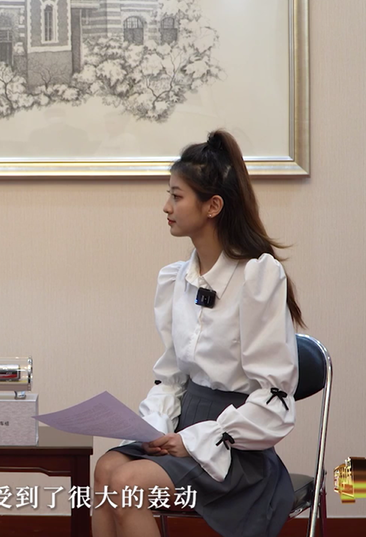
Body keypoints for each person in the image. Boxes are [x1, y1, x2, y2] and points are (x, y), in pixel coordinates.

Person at [92, 131, 303, 537]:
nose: (166, 207)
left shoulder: (257, 277)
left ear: (213, 206)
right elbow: (172, 377)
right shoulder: (177, 279)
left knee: (126, 483)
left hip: (233, 444)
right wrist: (155, 428)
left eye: (177, 196)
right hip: (180, 427)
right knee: (105, 470)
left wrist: (194, 440)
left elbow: (275, 400)